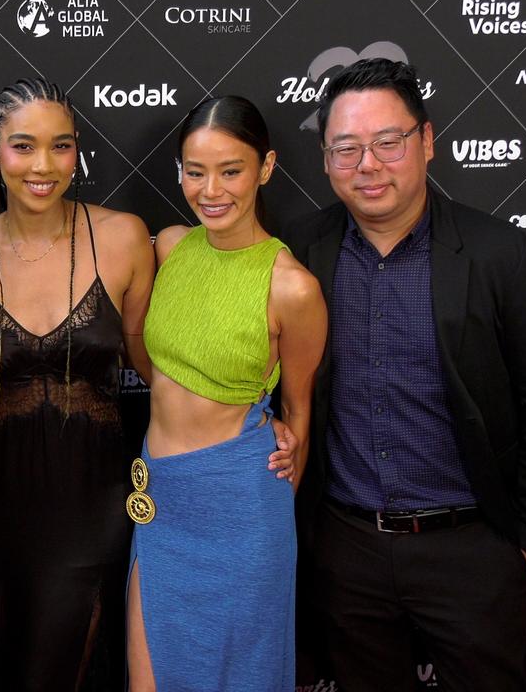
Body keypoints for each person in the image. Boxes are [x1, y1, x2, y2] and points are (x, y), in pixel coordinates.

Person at [280, 58, 526, 690]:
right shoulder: (297, 252)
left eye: (388, 142)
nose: (368, 164)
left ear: (427, 141)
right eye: (347, 148)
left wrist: (524, 543)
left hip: (470, 548)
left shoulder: (501, 252)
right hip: (347, 547)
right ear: (327, 158)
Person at [0, 76, 155, 690]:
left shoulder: (123, 238)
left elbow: (152, 365)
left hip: (94, 499)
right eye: (23, 146)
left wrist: (253, 418)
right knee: (6, 659)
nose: (43, 165)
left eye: (60, 146)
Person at [126, 95, 327, 691]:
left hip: (241, 504)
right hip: (162, 499)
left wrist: (289, 455)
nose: (211, 189)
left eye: (231, 170)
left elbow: (298, 409)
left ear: (265, 168)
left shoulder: (291, 287)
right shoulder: (170, 246)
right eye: (195, 171)